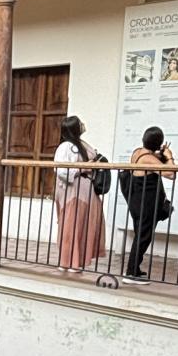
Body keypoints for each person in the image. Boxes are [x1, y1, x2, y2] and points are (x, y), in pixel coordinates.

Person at [120, 126, 175, 283]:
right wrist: (169, 156)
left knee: (141, 235)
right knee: (143, 237)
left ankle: (134, 269)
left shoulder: (138, 152)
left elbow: (154, 161)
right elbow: (171, 173)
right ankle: (131, 274)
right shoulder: (148, 159)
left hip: (138, 201)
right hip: (146, 203)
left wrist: (161, 155)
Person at [53, 116, 106, 271]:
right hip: (73, 191)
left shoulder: (81, 144)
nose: (83, 125)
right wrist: (83, 168)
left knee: (82, 225)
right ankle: (68, 261)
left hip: (85, 190)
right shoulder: (65, 147)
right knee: (72, 225)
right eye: (80, 123)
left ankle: (77, 260)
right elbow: (61, 170)